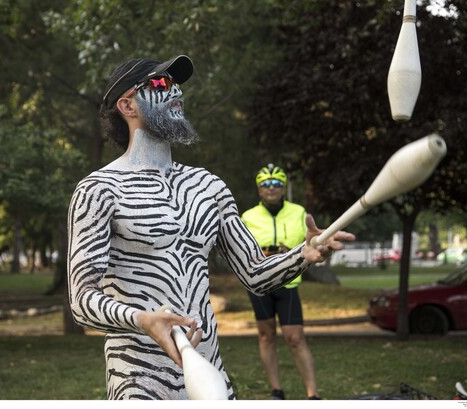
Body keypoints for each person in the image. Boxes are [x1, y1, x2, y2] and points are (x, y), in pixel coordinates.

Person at [66, 55, 354, 400]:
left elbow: (255, 273)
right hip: (138, 381)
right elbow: (82, 301)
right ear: (127, 105)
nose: (175, 91)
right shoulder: (98, 190)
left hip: (210, 377)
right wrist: (144, 320)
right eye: (160, 83)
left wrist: (303, 255)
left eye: (177, 84)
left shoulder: (209, 186)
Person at [241, 164, 320, 400]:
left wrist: (290, 251)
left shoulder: (298, 211)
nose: (271, 187)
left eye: (277, 183)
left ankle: (313, 394)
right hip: (260, 283)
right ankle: (276, 390)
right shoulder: (248, 216)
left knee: (295, 337)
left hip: (288, 282)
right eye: (266, 184)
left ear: (284, 188)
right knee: (266, 335)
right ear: (259, 189)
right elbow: (242, 250)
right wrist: (259, 255)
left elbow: (309, 245)